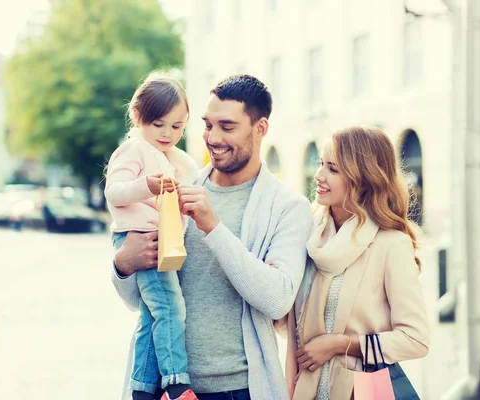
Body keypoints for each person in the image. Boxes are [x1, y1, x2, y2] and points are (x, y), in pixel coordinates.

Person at [111, 74, 312, 400]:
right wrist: (122, 264)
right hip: (165, 388)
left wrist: (213, 227)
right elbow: (140, 301)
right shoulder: (177, 184)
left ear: (260, 128)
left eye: (227, 127)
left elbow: (277, 300)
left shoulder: (289, 207)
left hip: (239, 390)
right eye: (207, 125)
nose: (213, 137)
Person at [285, 126, 430, 399]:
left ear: (362, 179)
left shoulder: (390, 244)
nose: (318, 176)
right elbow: (290, 322)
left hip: (360, 391)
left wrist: (341, 344)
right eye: (320, 164)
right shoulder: (309, 235)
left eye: (333, 168)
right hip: (304, 389)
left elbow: (416, 339)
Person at [105, 71, 199, 400]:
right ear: (138, 116)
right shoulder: (133, 150)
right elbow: (114, 192)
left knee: (152, 313)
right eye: (159, 124)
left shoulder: (170, 158)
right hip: (141, 238)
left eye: (177, 127)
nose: (168, 133)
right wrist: (147, 186)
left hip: (154, 238)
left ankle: (142, 388)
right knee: (171, 308)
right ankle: (175, 381)